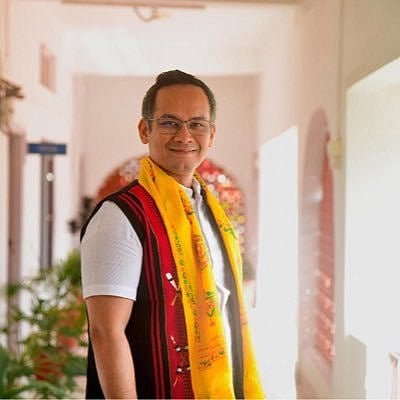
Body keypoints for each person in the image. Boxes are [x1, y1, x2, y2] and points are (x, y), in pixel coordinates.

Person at [80, 70, 264, 399]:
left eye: (197, 124)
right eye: (169, 123)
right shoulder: (120, 216)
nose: (184, 135)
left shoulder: (210, 211)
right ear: (144, 130)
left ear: (211, 134)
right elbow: (106, 332)